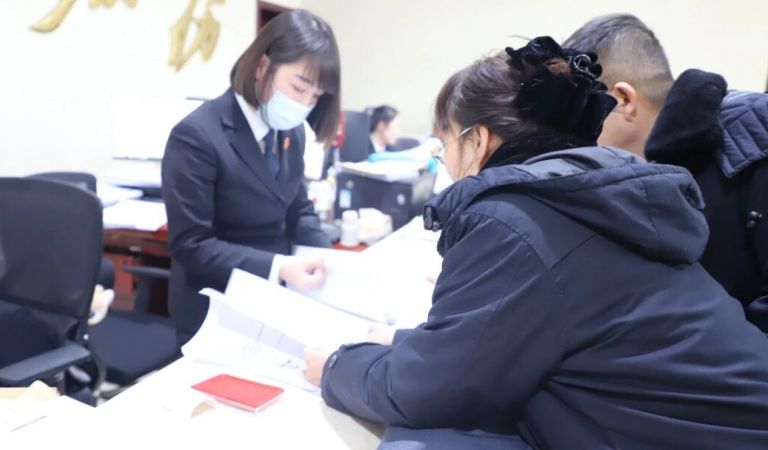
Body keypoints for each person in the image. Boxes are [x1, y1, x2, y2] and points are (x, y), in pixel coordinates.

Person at [303, 37, 768, 449]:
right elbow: (514, 339)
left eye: (444, 146)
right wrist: (406, 342)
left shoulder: (513, 218)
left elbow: (427, 389)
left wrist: (338, 366)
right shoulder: (594, 192)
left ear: (477, 140)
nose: (445, 163)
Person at [564, 14, 768, 331]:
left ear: (623, 99)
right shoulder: (643, 186)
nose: (573, 142)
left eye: (579, 119)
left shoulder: (755, 132)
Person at [162, 10, 341, 344]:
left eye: (316, 96)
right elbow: (192, 245)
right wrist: (277, 266)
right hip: (215, 308)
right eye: (299, 87)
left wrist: (331, 263)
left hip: (275, 303)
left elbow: (298, 208)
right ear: (262, 66)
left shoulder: (290, 131)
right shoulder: (197, 135)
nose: (304, 104)